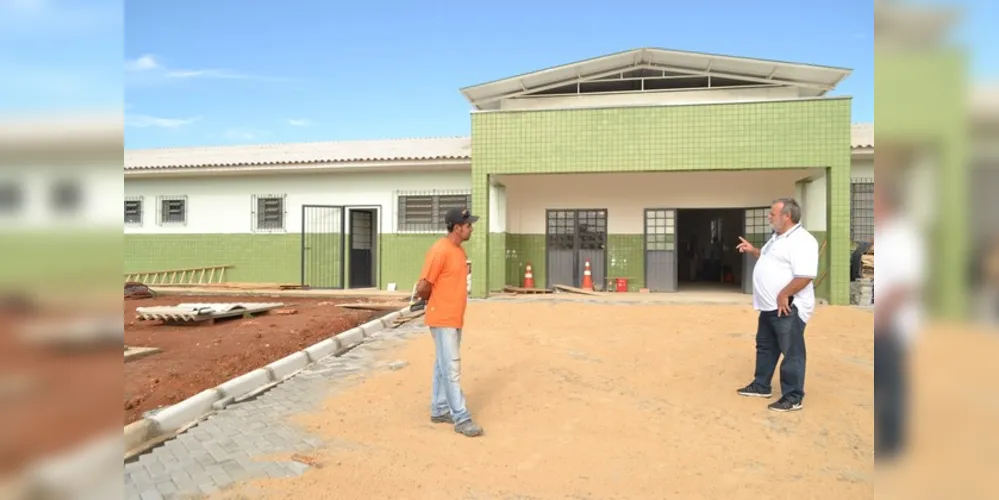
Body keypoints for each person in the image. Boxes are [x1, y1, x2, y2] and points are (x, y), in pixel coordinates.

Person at [735, 197, 819, 412]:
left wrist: (784, 293)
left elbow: (806, 275)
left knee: (792, 351)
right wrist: (753, 250)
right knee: (765, 346)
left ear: (786, 216)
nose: (768, 217)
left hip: (788, 307)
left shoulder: (802, 241)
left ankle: (793, 396)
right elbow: (767, 258)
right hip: (768, 307)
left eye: (772, 214)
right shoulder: (776, 238)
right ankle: (761, 385)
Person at [415, 207, 484, 437]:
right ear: (457, 228)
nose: (471, 228)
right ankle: (461, 417)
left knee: (442, 364)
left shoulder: (459, 252)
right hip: (443, 318)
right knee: (451, 366)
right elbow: (424, 285)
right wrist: (431, 302)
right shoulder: (439, 250)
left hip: (454, 317)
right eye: (468, 225)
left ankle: (440, 408)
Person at [872, 183, 924, 461]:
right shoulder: (883, 233)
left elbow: (905, 285)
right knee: (880, 383)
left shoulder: (902, 235)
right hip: (881, 324)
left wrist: (881, 320)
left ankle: (891, 445)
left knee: (891, 386)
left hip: (891, 326)